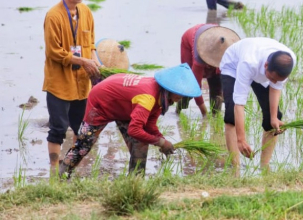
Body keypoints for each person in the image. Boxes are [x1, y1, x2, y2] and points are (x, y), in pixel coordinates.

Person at [58, 64, 202, 177]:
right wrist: (161, 142)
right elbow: (134, 130)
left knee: (141, 142)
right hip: (101, 101)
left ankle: (136, 180)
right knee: (84, 144)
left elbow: (149, 125)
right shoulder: (148, 97)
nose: (181, 98)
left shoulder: (160, 96)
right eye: (179, 93)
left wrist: (162, 140)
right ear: (170, 88)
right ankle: (61, 175)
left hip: (124, 105)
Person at [43, 0, 101, 178]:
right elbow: (54, 52)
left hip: (82, 83)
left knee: (81, 129)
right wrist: (81, 60)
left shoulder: (86, 12)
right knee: (58, 128)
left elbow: (91, 42)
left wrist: (93, 59)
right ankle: (53, 169)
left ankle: (69, 167)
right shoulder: (53, 16)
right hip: (60, 82)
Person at [221, 37, 296, 173]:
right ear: (266, 65)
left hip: (259, 72)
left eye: (277, 80)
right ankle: (235, 168)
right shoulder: (248, 63)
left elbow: (275, 86)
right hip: (233, 66)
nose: (273, 81)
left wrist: (273, 117)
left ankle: (264, 166)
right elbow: (239, 104)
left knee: (273, 120)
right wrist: (241, 139)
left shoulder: (289, 60)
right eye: (272, 78)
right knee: (231, 115)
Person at [179, 24, 240, 117]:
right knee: (188, 85)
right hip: (191, 40)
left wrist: (226, 95)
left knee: (216, 87)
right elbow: (195, 86)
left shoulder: (228, 49)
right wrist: (204, 114)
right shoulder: (199, 54)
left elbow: (230, 79)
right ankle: (179, 109)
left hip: (216, 38)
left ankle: (215, 115)